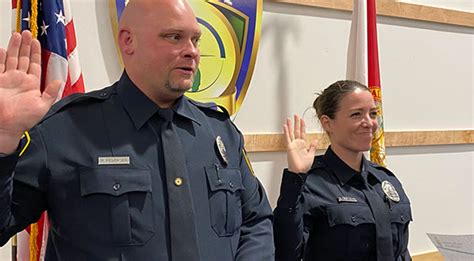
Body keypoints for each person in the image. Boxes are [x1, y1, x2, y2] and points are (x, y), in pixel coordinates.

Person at [0, 0, 274, 260]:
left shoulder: (219, 132)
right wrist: (4, 140)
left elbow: (255, 220)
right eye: (174, 37)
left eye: (195, 39)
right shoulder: (65, 130)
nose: (192, 50)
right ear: (128, 41)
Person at [273, 80, 412, 261]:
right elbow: (286, 252)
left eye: (373, 114)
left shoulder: (385, 180)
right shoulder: (311, 184)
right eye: (356, 114)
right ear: (328, 123)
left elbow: (401, 254)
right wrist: (295, 177)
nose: (369, 123)